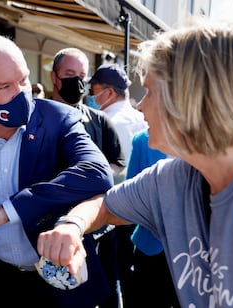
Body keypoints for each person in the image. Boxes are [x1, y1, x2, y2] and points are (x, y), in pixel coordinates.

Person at [37, 19, 233, 307]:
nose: (140, 106)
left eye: (150, 91)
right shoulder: (171, 177)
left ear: (192, 99)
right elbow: (104, 206)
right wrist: (72, 225)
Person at [0, 34, 114, 308]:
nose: (21, 93)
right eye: (5, 86)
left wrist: (9, 209)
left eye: (23, 80)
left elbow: (98, 172)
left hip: (59, 282)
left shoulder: (59, 118)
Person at [50, 47, 126, 308]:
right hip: (50, 231)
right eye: (69, 73)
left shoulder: (100, 121)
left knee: (104, 293)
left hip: (98, 231)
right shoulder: (35, 119)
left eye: (82, 75)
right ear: (54, 77)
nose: (77, 81)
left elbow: (119, 166)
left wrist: (95, 175)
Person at [87, 62, 148, 306]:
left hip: (117, 209)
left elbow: (112, 170)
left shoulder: (108, 121)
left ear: (109, 92)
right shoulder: (139, 117)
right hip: (142, 208)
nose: (90, 96)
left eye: (94, 90)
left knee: (112, 274)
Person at [124, 129, 179, 308]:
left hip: (195, 252)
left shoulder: (209, 138)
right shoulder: (143, 140)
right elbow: (131, 194)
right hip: (151, 247)